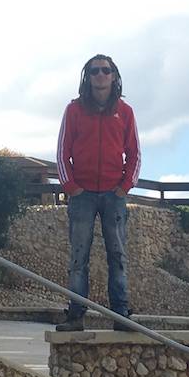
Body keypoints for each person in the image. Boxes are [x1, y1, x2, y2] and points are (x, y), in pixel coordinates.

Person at [54, 54, 141, 331]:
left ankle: (121, 314)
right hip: (83, 195)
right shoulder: (74, 110)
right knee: (78, 257)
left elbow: (135, 153)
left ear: (114, 76)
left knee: (118, 255)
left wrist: (124, 188)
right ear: (87, 77)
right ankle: (76, 314)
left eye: (106, 70)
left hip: (113, 195)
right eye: (95, 71)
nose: (100, 75)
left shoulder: (125, 112)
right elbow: (61, 153)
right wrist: (72, 188)